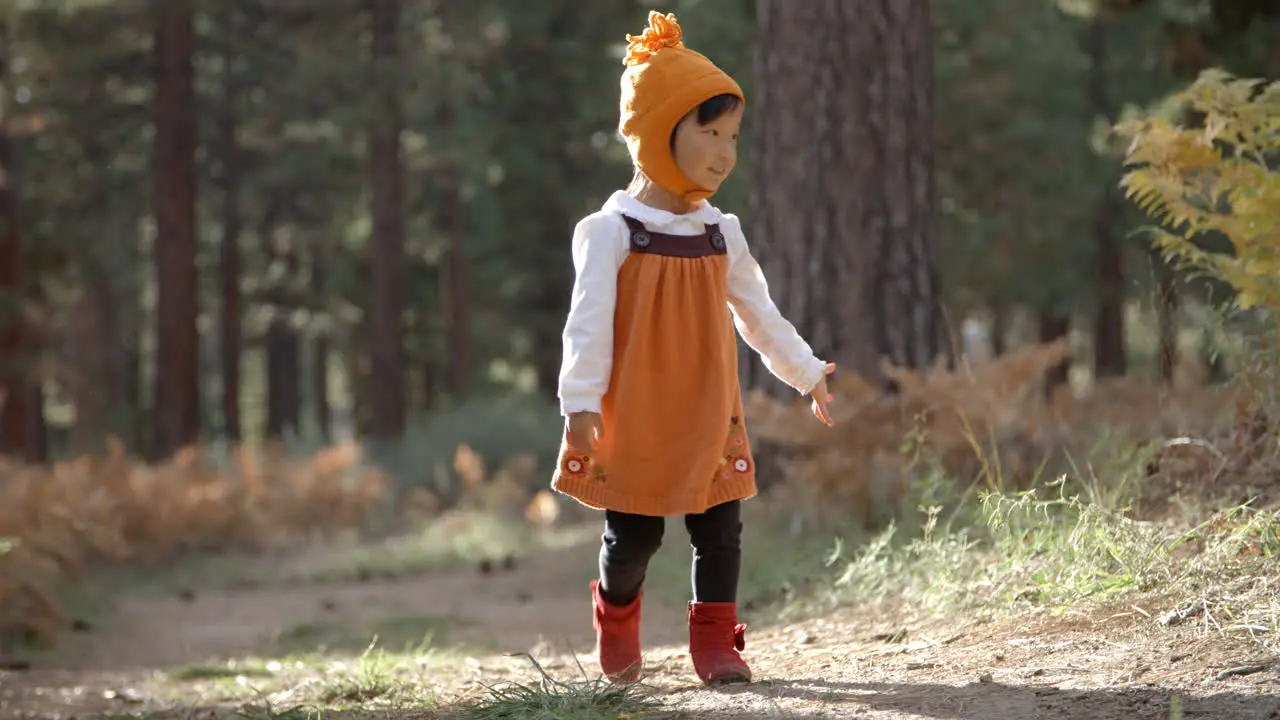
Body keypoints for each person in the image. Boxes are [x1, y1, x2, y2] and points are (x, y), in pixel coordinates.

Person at [552, 10, 835, 686]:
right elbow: (585, 323)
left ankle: (716, 644)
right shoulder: (612, 230)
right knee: (635, 539)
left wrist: (805, 372)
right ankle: (616, 612)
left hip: (710, 410)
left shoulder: (720, 231)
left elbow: (756, 312)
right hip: (637, 414)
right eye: (708, 131)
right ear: (657, 133)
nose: (724, 150)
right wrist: (580, 402)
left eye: (732, 135)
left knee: (720, 531)